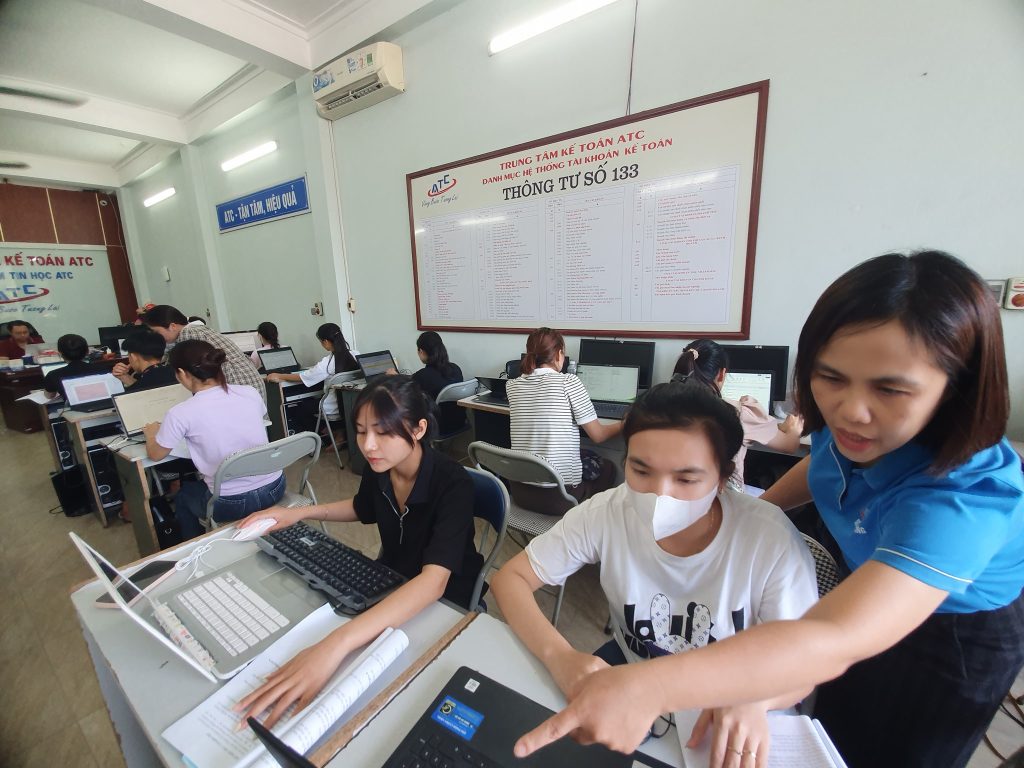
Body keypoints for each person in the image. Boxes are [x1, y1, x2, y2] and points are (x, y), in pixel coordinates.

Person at [513, 251, 1024, 768]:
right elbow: (822, 467)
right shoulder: (851, 429)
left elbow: (833, 636)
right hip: (859, 579)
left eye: (890, 388)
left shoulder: (966, 495)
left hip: (955, 630)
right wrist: (750, 515)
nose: (850, 410)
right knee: (835, 730)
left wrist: (646, 688)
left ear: (955, 387)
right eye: (831, 377)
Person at [492, 380, 818, 765]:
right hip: (635, 692)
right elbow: (509, 578)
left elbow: (807, 665)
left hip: (725, 712)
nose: (659, 495)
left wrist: (757, 697)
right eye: (640, 470)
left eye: (686, 479)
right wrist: (560, 655)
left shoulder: (769, 539)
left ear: (724, 473)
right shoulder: (607, 512)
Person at [233, 375, 484, 728]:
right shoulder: (380, 468)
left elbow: (433, 583)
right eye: (362, 431)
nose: (368, 445)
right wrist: (297, 513)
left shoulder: (452, 482)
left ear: (418, 429)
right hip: (389, 582)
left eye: (382, 432)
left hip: (445, 601)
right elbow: (362, 508)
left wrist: (336, 645)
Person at [143, 340, 284, 540]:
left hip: (231, 502)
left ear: (182, 373)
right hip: (275, 488)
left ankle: (195, 551)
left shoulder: (180, 413)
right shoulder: (249, 393)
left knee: (183, 496)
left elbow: (156, 455)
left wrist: (150, 434)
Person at [506, 327, 622, 514]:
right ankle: (583, 525)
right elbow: (598, 436)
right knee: (607, 468)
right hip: (559, 499)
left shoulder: (512, 385)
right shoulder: (568, 382)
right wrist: (625, 423)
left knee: (582, 453)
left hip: (520, 493)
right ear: (560, 354)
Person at [672, 339, 804, 490]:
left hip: (674, 494)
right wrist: (793, 428)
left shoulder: (659, 404)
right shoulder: (735, 412)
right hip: (722, 499)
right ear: (722, 374)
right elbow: (790, 446)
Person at [142, 305, 266, 403]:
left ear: (172, 326)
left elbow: (188, 371)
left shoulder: (189, 334)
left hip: (238, 389)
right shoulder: (198, 329)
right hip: (250, 389)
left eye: (156, 332)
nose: (157, 337)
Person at [266, 323, 359, 422]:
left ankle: (316, 435)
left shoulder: (327, 363)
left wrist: (279, 375)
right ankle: (335, 431)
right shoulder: (356, 354)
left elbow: (303, 377)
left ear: (326, 341)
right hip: (351, 405)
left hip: (331, 408)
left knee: (299, 410)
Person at [412, 330, 467, 435]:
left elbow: (405, 391)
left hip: (438, 427)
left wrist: (395, 378)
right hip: (460, 422)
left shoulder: (422, 376)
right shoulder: (455, 368)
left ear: (422, 352)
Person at [111, 330, 177, 391]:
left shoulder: (143, 382)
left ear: (134, 357)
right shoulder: (175, 372)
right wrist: (125, 377)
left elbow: (140, 389)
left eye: (129, 356)